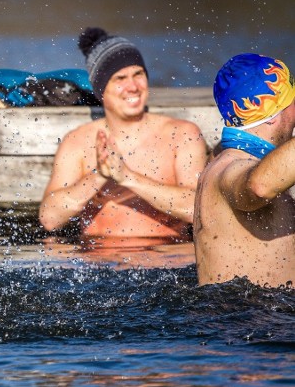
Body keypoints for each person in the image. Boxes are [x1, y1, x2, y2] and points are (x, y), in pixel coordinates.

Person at [39, 27, 208, 242]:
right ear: (101, 89)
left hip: (169, 258)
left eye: (138, 75)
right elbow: (50, 218)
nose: (133, 87)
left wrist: (127, 177)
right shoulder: (78, 141)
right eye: (120, 78)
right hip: (99, 262)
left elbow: (198, 210)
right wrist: (99, 175)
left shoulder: (182, 134)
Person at [194, 53, 295, 287]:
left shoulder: (225, 159)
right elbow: (259, 187)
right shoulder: (229, 169)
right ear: (272, 114)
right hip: (254, 319)